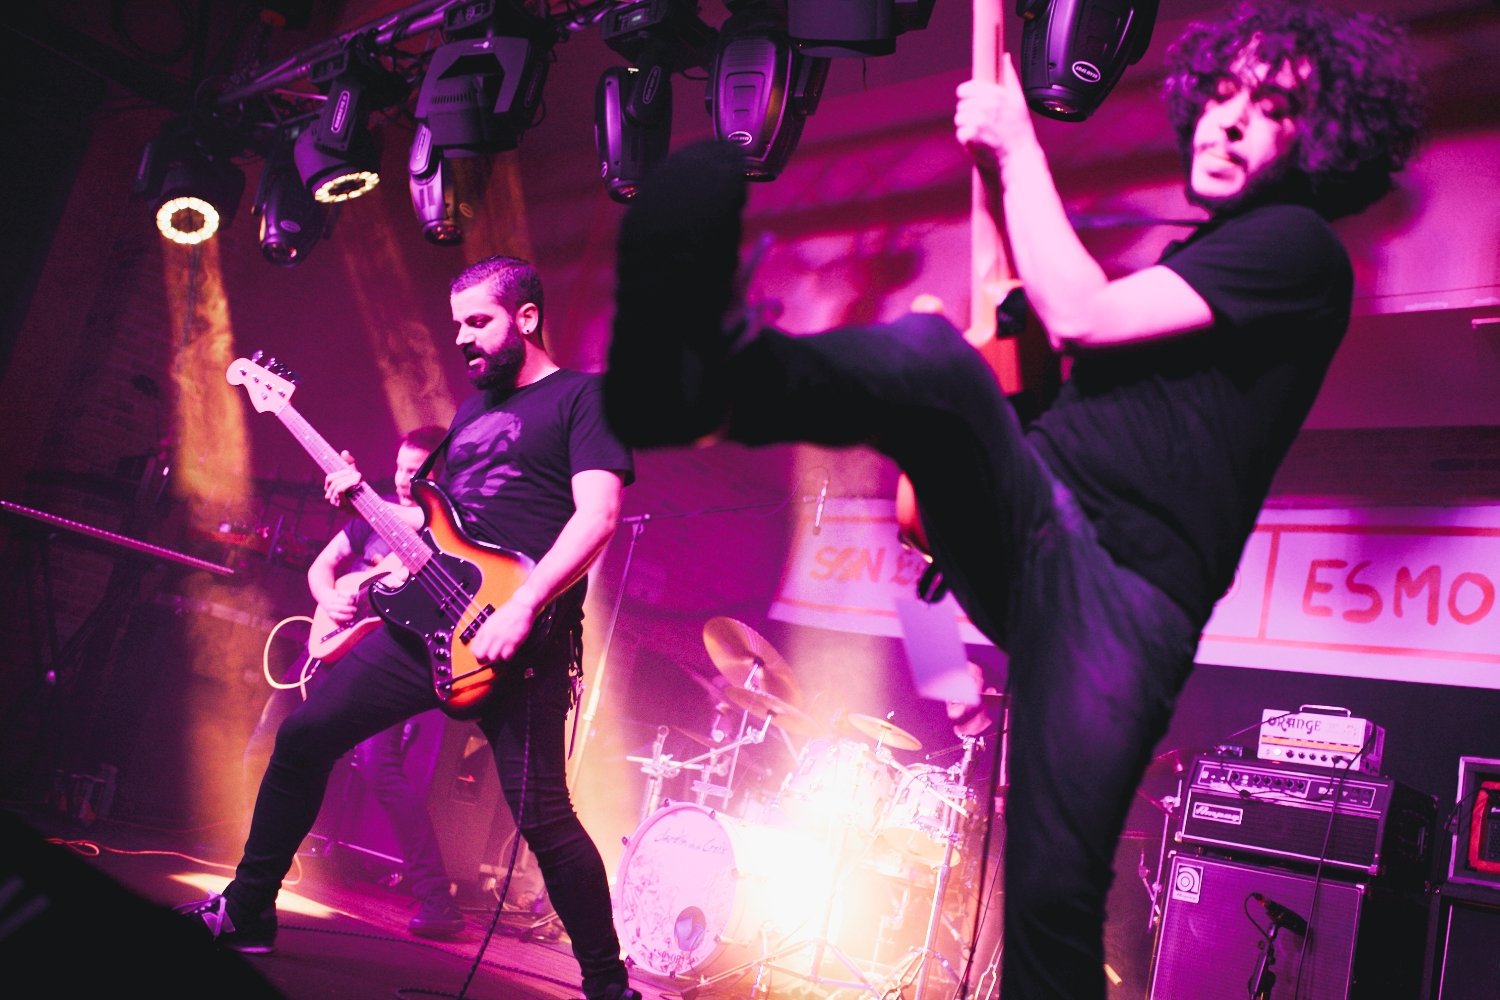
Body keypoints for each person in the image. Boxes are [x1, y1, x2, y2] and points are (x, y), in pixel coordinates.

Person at [599, 3, 1423, 998]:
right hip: (1042, 539)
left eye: (1273, 105)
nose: (1230, 118)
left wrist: (1018, 143)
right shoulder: (1206, 264)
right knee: (931, 350)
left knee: (1046, 908)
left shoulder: (1296, 248)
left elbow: (1079, 310)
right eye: (1221, 92)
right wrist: (996, 153)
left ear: (1320, 137)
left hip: (1116, 599)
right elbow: (1017, 307)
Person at [180, 255, 641, 1000]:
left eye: (479, 322)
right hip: (430, 621)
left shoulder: (584, 399)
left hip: (520, 638)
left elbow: (599, 516)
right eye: (457, 324)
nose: (463, 338)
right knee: (304, 738)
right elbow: (441, 532)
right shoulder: (472, 413)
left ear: (527, 318)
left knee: (544, 818)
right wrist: (361, 516)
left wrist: (523, 606)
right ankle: (248, 908)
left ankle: (608, 986)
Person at [241, 424, 466, 940]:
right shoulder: (371, 516)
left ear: (438, 474)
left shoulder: (439, 530)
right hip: (328, 644)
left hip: (380, 662)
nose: (404, 478)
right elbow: (323, 568)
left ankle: (438, 899)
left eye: (416, 470)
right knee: (268, 742)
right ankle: (250, 862)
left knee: (380, 769)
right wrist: (330, 598)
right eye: (400, 467)